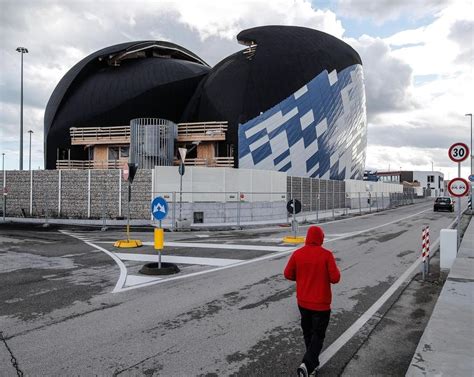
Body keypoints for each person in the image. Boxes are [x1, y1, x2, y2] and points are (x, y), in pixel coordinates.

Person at [284, 225, 341, 377]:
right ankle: (308, 364)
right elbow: (335, 278)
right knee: (318, 335)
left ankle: (312, 366)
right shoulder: (326, 255)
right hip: (321, 305)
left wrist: (301, 277)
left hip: (303, 302)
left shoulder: (297, 254)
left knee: (308, 332)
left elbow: (288, 274)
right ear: (320, 238)